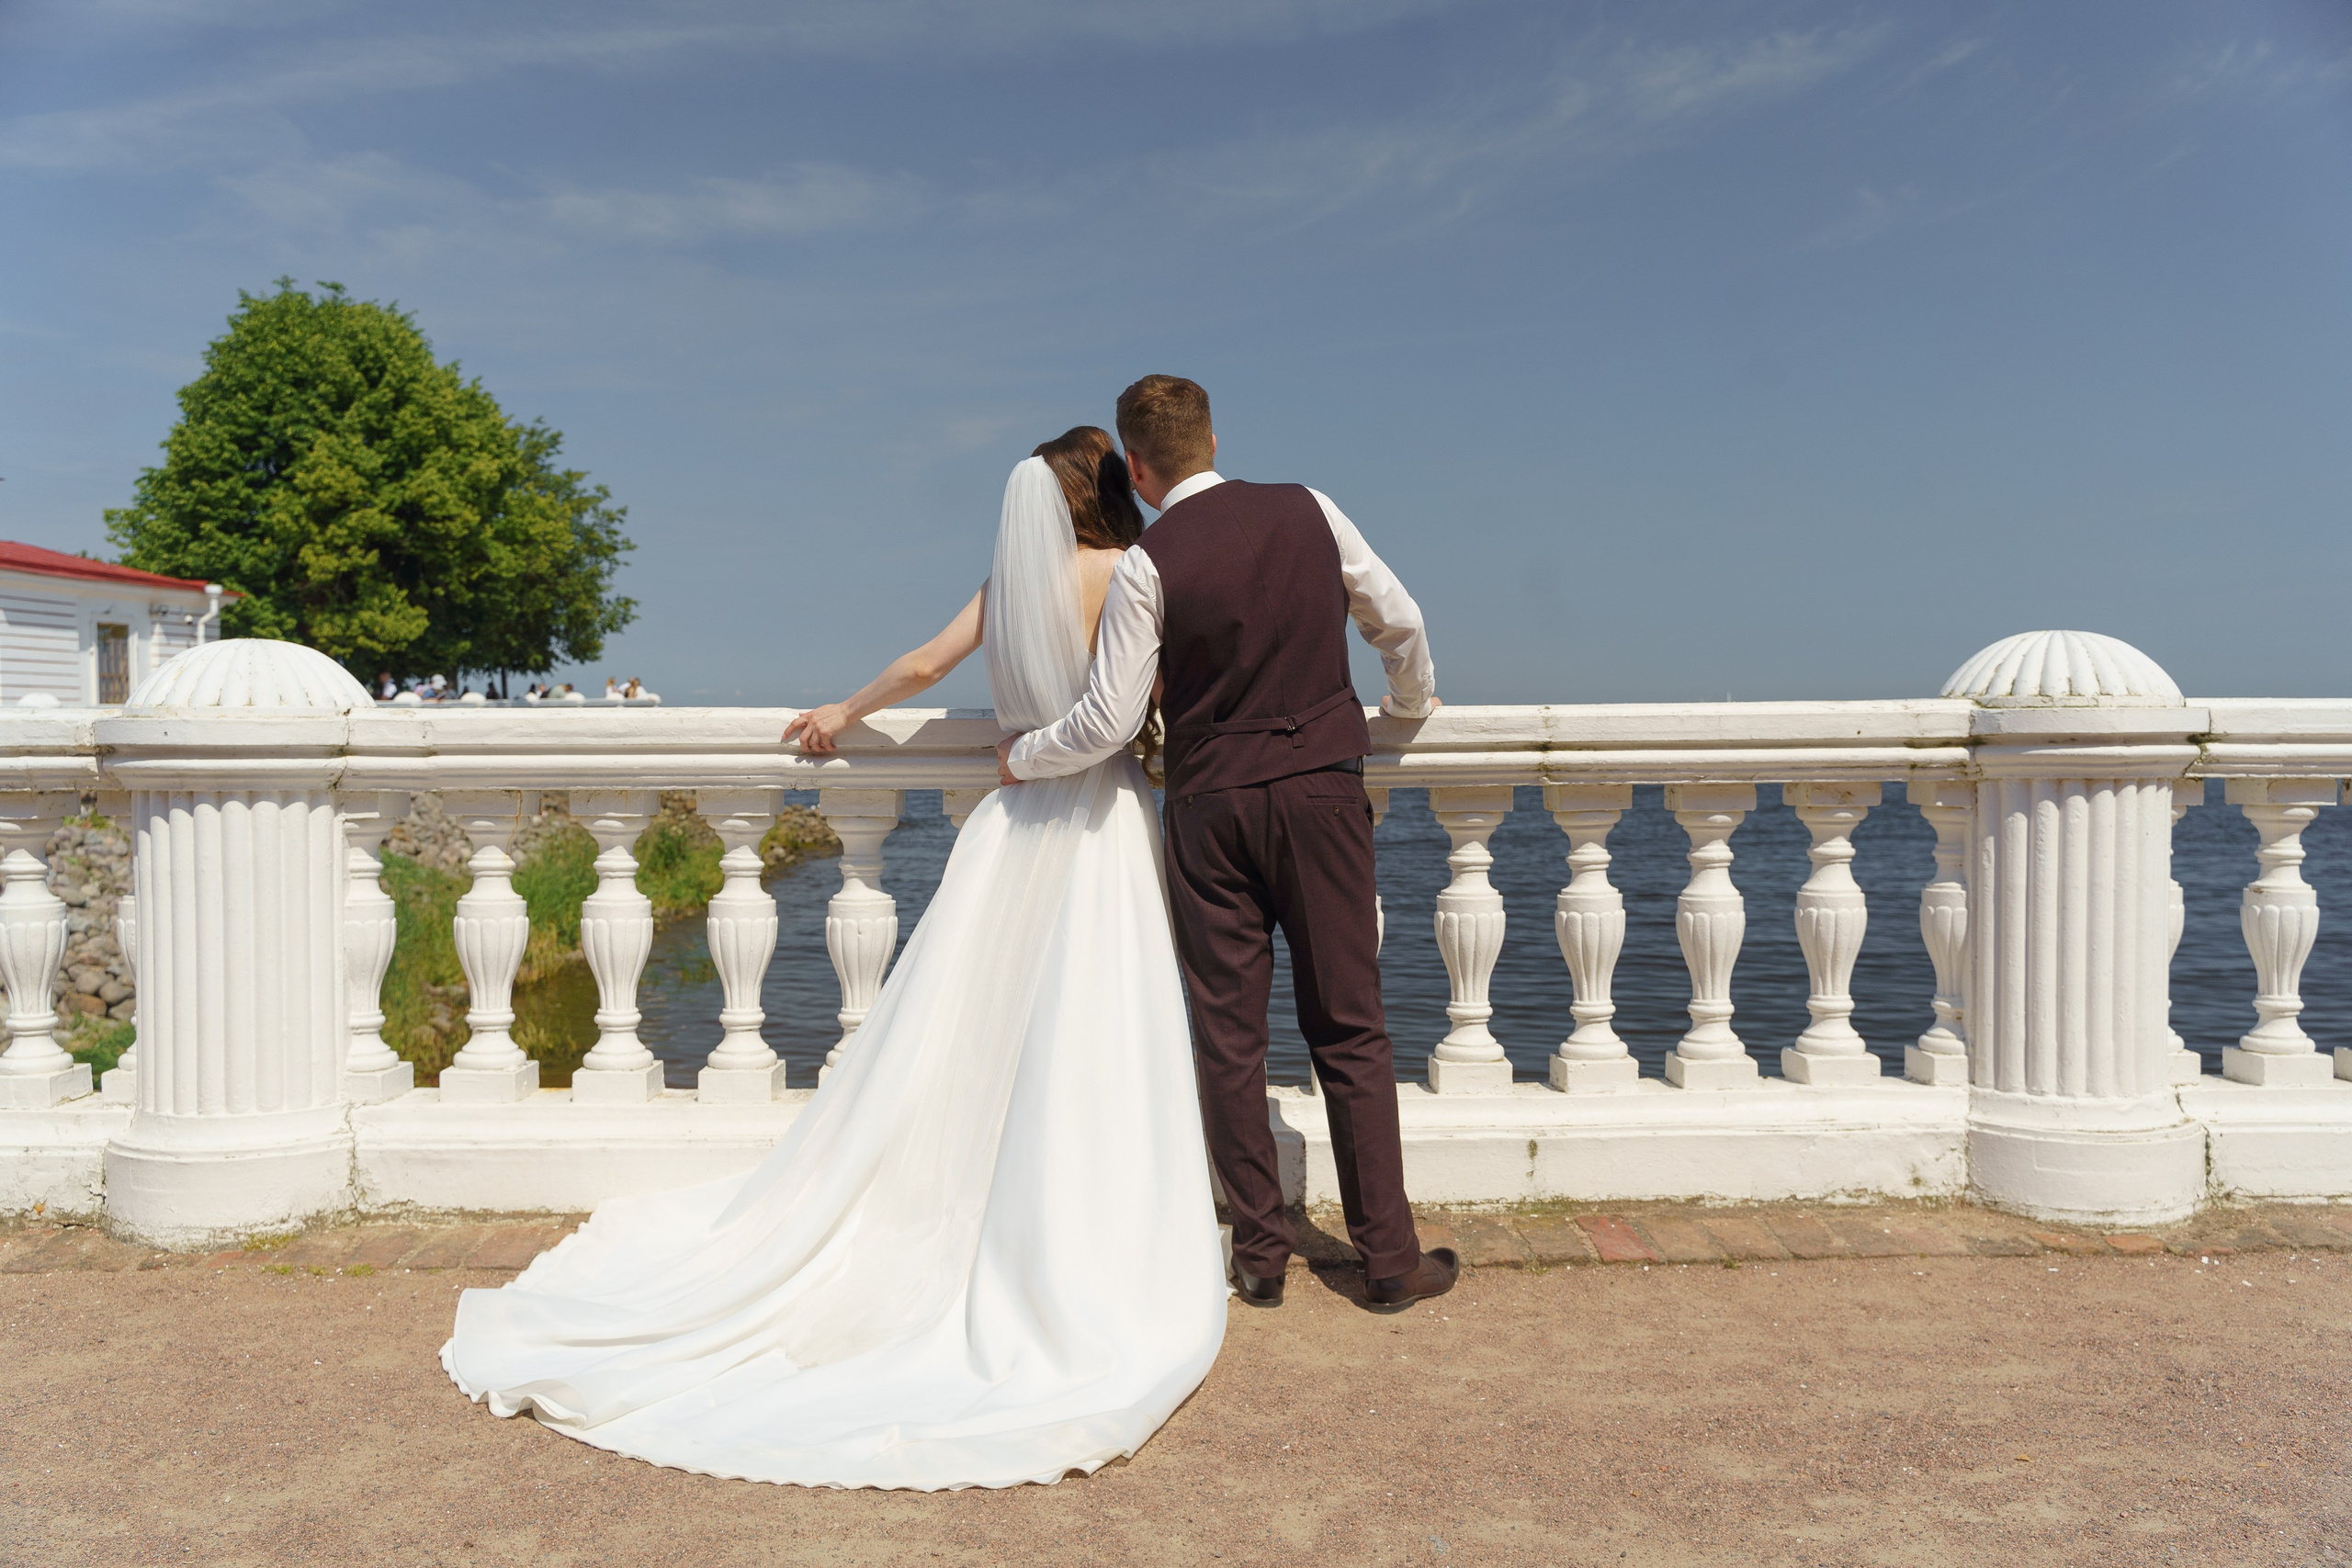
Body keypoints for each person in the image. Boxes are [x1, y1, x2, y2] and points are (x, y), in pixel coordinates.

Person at [442, 426, 1225, 1490]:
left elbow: (926, 663)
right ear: (1115, 490)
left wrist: (843, 712)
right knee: (1099, 1027)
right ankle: (1100, 1229)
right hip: (1105, 821)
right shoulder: (1137, 572)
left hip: (1018, 816)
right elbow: (1152, 703)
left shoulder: (1015, 579)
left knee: (969, 1036)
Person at [1000, 375, 1455, 1313]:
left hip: (1210, 813)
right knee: (1351, 1030)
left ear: (1137, 462)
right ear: (1213, 436)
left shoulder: (1146, 565)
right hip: (1321, 795)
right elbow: (1398, 622)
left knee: (1228, 1037)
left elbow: (1108, 721)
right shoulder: (1310, 510)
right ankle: (1386, 1260)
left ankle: (1259, 1258)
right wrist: (1406, 708)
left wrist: (1023, 756)